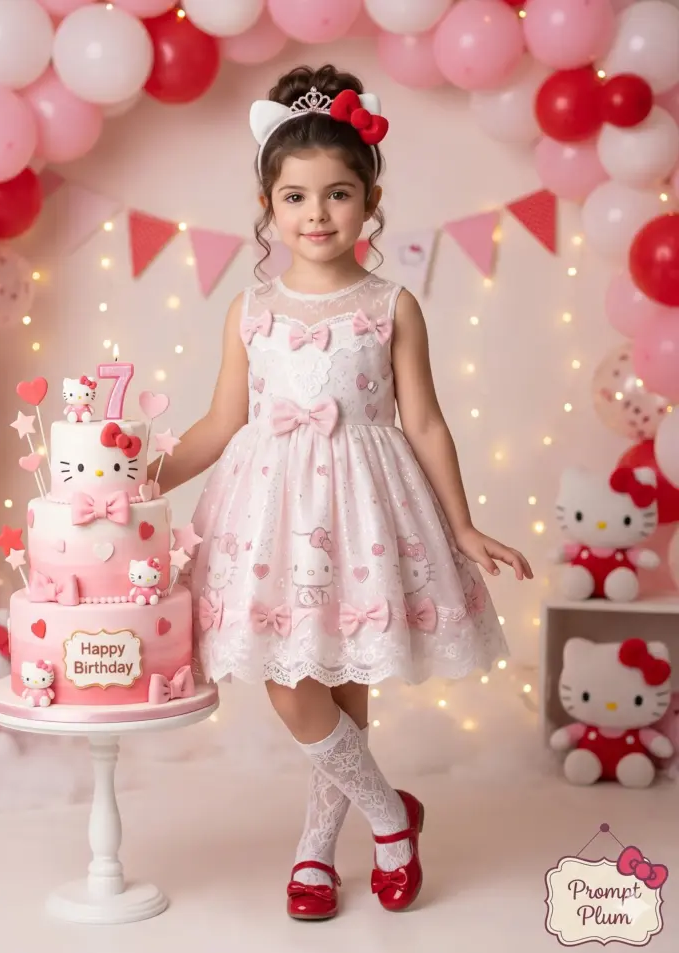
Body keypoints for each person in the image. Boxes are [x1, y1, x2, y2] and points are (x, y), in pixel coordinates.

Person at [149, 63, 533, 920]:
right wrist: (138, 477)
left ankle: (316, 848)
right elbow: (220, 422)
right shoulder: (251, 309)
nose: (316, 214)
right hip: (271, 521)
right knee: (295, 684)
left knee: (345, 682)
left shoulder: (392, 305)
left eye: (337, 194)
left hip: (362, 517)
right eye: (295, 197)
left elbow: (424, 420)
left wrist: (464, 526)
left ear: (370, 200)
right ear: (268, 205)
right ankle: (392, 818)